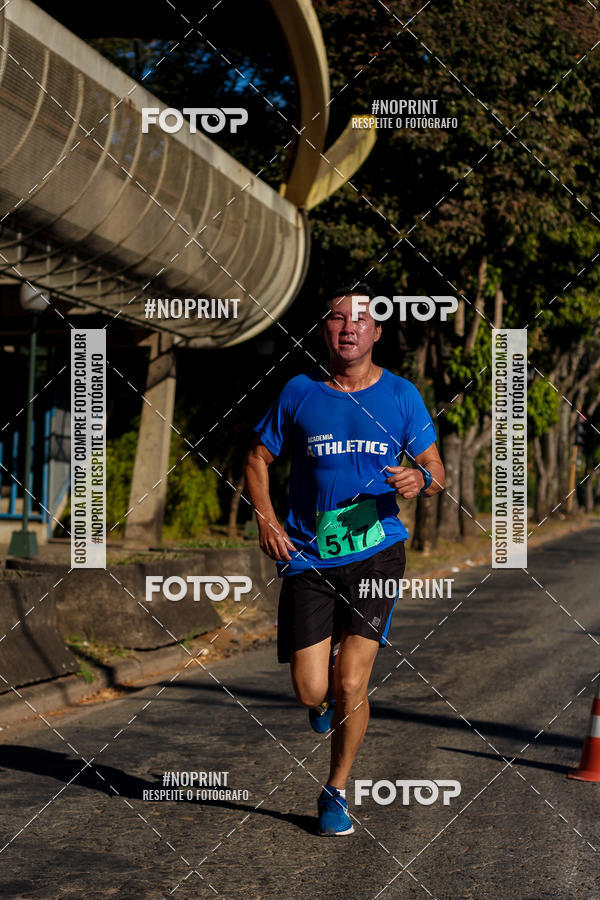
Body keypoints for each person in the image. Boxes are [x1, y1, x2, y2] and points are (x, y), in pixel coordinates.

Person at [244, 283, 445, 836]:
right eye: (338, 318)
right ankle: (321, 700)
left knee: (352, 683)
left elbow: (435, 468)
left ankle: (335, 791)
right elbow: (257, 460)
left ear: (378, 331)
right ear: (325, 329)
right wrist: (267, 519)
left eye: (361, 319)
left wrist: (419, 478)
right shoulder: (299, 392)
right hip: (310, 556)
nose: (349, 327)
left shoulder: (402, 396)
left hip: (377, 549)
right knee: (314, 690)